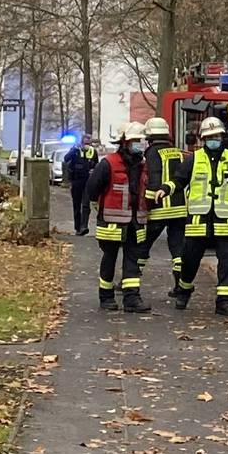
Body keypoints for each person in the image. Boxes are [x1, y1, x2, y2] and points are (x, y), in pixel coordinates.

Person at [174, 116, 228, 315]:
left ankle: (224, 303)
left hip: (225, 223)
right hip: (198, 223)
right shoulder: (194, 158)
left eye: (216, 136)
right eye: (209, 136)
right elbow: (179, 180)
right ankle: (184, 290)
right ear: (202, 138)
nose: (213, 139)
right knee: (189, 261)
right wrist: (166, 189)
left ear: (222, 136)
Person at [85, 125, 156, 311]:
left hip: (135, 222)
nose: (139, 145)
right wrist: (94, 207)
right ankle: (106, 297)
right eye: (135, 142)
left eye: (141, 141)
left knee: (132, 260)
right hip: (111, 222)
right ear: (124, 143)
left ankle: (132, 299)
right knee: (110, 257)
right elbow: (92, 188)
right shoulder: (108, 163)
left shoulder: (142, 165)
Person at [144, 117, 188, 272]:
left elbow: (154, 181)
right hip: (179, 209)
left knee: (142, 247)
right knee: (177, 249)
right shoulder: (177, 152)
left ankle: (129, 281)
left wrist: (147, 206)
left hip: (159, 209)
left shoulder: (152, 152)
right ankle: (179, 285)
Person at [60, 134, 95, 235]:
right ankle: (78, 227)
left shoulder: (93, 152)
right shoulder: (75, 151)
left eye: (88, 143)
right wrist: (74, 150)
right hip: (76, 180)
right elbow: (66, 158)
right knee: (76, 205)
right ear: (81, 142)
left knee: (86, 205)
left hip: (88, 181)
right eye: (85, 143)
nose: (87, 145)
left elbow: (96, 165)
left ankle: (84, 226)